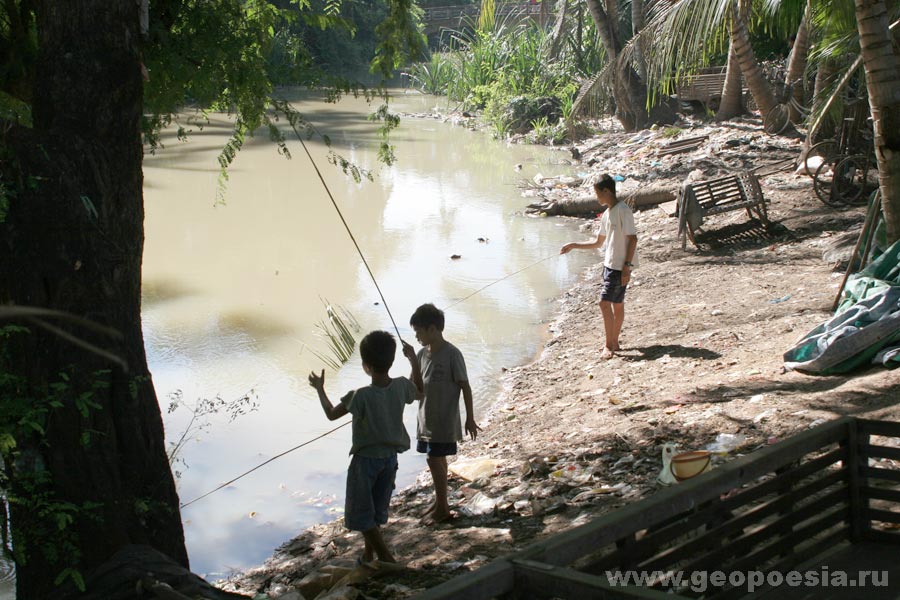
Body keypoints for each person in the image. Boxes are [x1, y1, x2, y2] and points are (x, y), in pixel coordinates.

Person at [308, 330, 423, 566]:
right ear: (391, 361)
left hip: (365, 463)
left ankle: (386, 559)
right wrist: (414, 362)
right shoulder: (401, 386)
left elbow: (331, 414)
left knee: (360, 513)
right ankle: (368, 555)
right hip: (390, 460)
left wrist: (319, 388)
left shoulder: (359, 396)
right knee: (376, 511)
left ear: (366, 366)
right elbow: (419, 391)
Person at [409, 303, 480, 525]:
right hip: (426, 421)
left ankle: (443, 509)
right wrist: (412, 359)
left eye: (419, 332)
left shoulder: (452, 354)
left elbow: (465, 386)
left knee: (434, 459)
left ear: (432, 329)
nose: (417, 337)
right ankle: (441, 502)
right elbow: (415, 389)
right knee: (438, 461)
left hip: (443, 421)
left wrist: (469, 417)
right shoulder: (421, 354)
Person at [560, 174, 638, 359]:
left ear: (606, 191)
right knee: (617, 304)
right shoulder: (607, 213)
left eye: (597, 193)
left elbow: (632, 238)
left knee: (604, 303)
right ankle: (615, 342)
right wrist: (573, 245)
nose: (597, 197)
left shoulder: (623, 210)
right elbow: (598, 242)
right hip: (610, 265)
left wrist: (627, 266)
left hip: (620, 266)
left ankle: (608, 345)